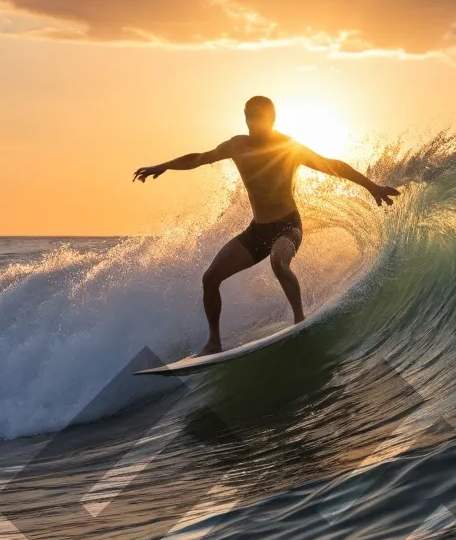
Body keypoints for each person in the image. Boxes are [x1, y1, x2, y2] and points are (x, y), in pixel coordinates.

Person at [134, 95, 399, 354]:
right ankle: (213, 342)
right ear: (246, 119)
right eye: (250, 119)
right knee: (210, 277)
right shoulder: (237, 145)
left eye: (260, 119)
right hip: (257, 230)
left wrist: (372, 187)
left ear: (271, 119)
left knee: (278, 262)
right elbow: (198, 158)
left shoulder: (288, 147)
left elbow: (332, 166)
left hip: (288, 225)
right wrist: (163, 166)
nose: (255, 124)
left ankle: (299, 321)